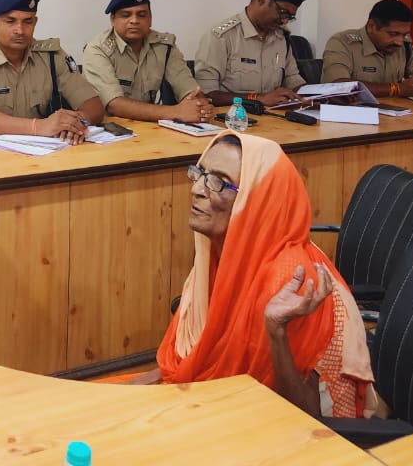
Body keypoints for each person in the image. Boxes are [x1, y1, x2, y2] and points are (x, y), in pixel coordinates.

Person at [133, 131, 373, 418]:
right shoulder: (221, 248)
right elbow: (195, 358)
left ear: (257, 199)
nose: (197, 188)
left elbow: (306, 416)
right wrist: (141, 386)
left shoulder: (290, 278)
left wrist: (276, 331)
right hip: (223, 403)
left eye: (219, 182)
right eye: (200, 173)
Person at [0, 0, 104, 145]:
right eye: (10, 21)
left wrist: (73, 123)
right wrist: (39, 126)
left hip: (38, 150)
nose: (20, 30)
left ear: (35, 22)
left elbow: (93, 106)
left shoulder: (52, 56)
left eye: (28, 22)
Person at [82, 0, 214, 124]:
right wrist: (175, 112)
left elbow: (189, 89)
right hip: (111, 129)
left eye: (141, 15)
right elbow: (114, 105)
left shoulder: (164, 46)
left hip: (151, 125)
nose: (134, 20)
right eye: (126, 15)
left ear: (150, 19)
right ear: (113, 20)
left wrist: (199, 106)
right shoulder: (98, 49)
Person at [195, 0, 308, 107]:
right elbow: (207, 95)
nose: (285, 21)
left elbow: (293, 80)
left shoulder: (282, 38)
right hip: (234, 116)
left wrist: (312, 96)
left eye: (290, 17)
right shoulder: (222, 37)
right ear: (261, 0)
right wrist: (258, 99)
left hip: (275, 116)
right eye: (283, 13)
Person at [320, 0, 413, 97]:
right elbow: (338, 86)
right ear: (372, 26)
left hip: (395, 113)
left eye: (404, 35)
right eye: (393, 34)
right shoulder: (343, 42)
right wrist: (397, 89)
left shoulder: (404, 47)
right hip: (351, 114)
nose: (399, 42)